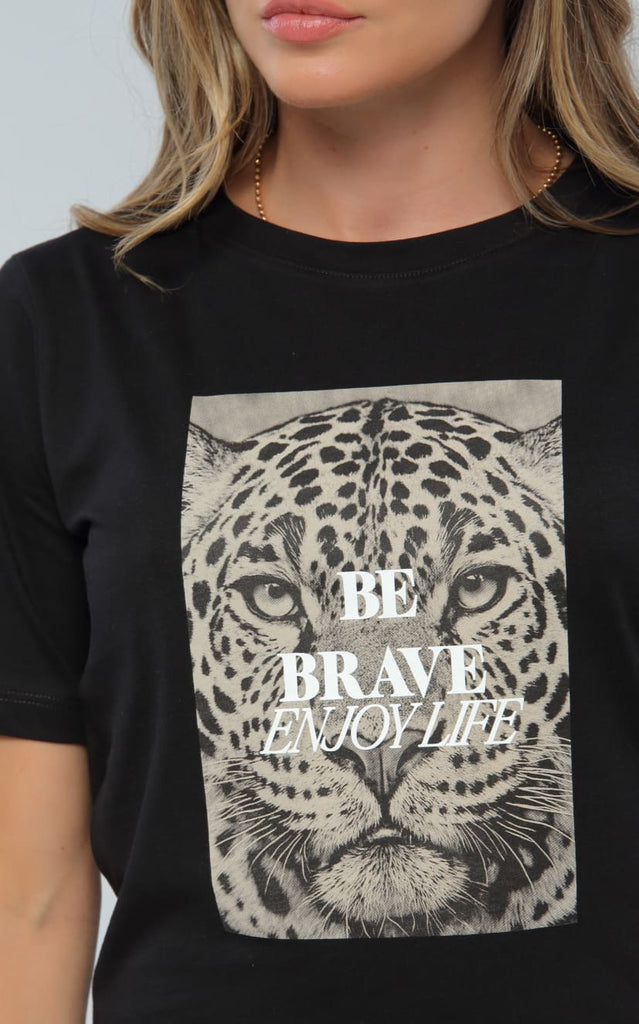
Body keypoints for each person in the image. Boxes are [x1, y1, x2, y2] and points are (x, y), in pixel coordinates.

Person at [2, 0, 639, 1021]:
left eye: (480, 582)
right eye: (266, 593)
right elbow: (27, 905)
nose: (379, 745)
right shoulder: (64, 325)